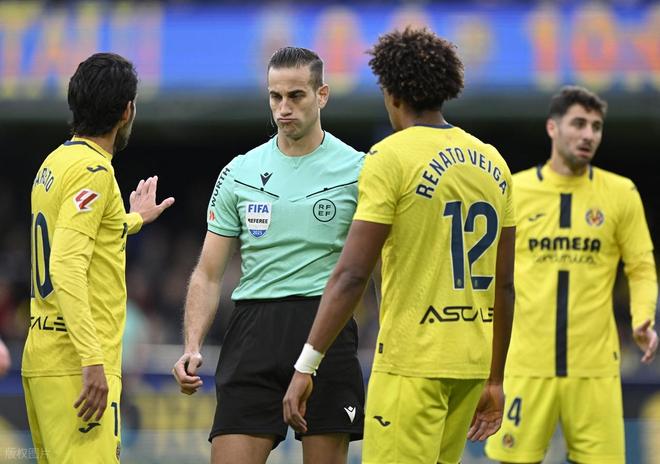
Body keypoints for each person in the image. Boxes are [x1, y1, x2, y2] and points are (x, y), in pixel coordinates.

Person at [284, 27, 516, 464]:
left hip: (412, 362)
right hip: (471, 365)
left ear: (391, 93)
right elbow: (505, 286)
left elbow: (352, 274)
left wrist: (306, 364)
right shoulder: (493, 161)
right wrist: (495, 379)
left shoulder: (390, 157)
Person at [171, 47, 365, 464]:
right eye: (275, 96)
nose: (283, 108)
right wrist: (192, 344)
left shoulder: (358, 170)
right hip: (253, 331)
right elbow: (207, 273)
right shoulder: (239, 172)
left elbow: (376, 266)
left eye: (296, 96)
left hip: (324, 327)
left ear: (322, 95)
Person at [485, 86, 658, 464]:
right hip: (526, 365)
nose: (588, 134)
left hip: (594, 368)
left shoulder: (620, 192)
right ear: (552, 127)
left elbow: (641, 265)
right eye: (578, 124)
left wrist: (642, 315)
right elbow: (489, 271)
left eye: (596, 127)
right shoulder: (515, 189)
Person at [22, 52, 175, 463]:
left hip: (43, 355)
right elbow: (66, 263)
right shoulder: (94, 171)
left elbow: (77, 237)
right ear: (127, 111)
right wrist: (92, 360)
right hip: (78, 367)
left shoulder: (55, 163)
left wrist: (133, 219)